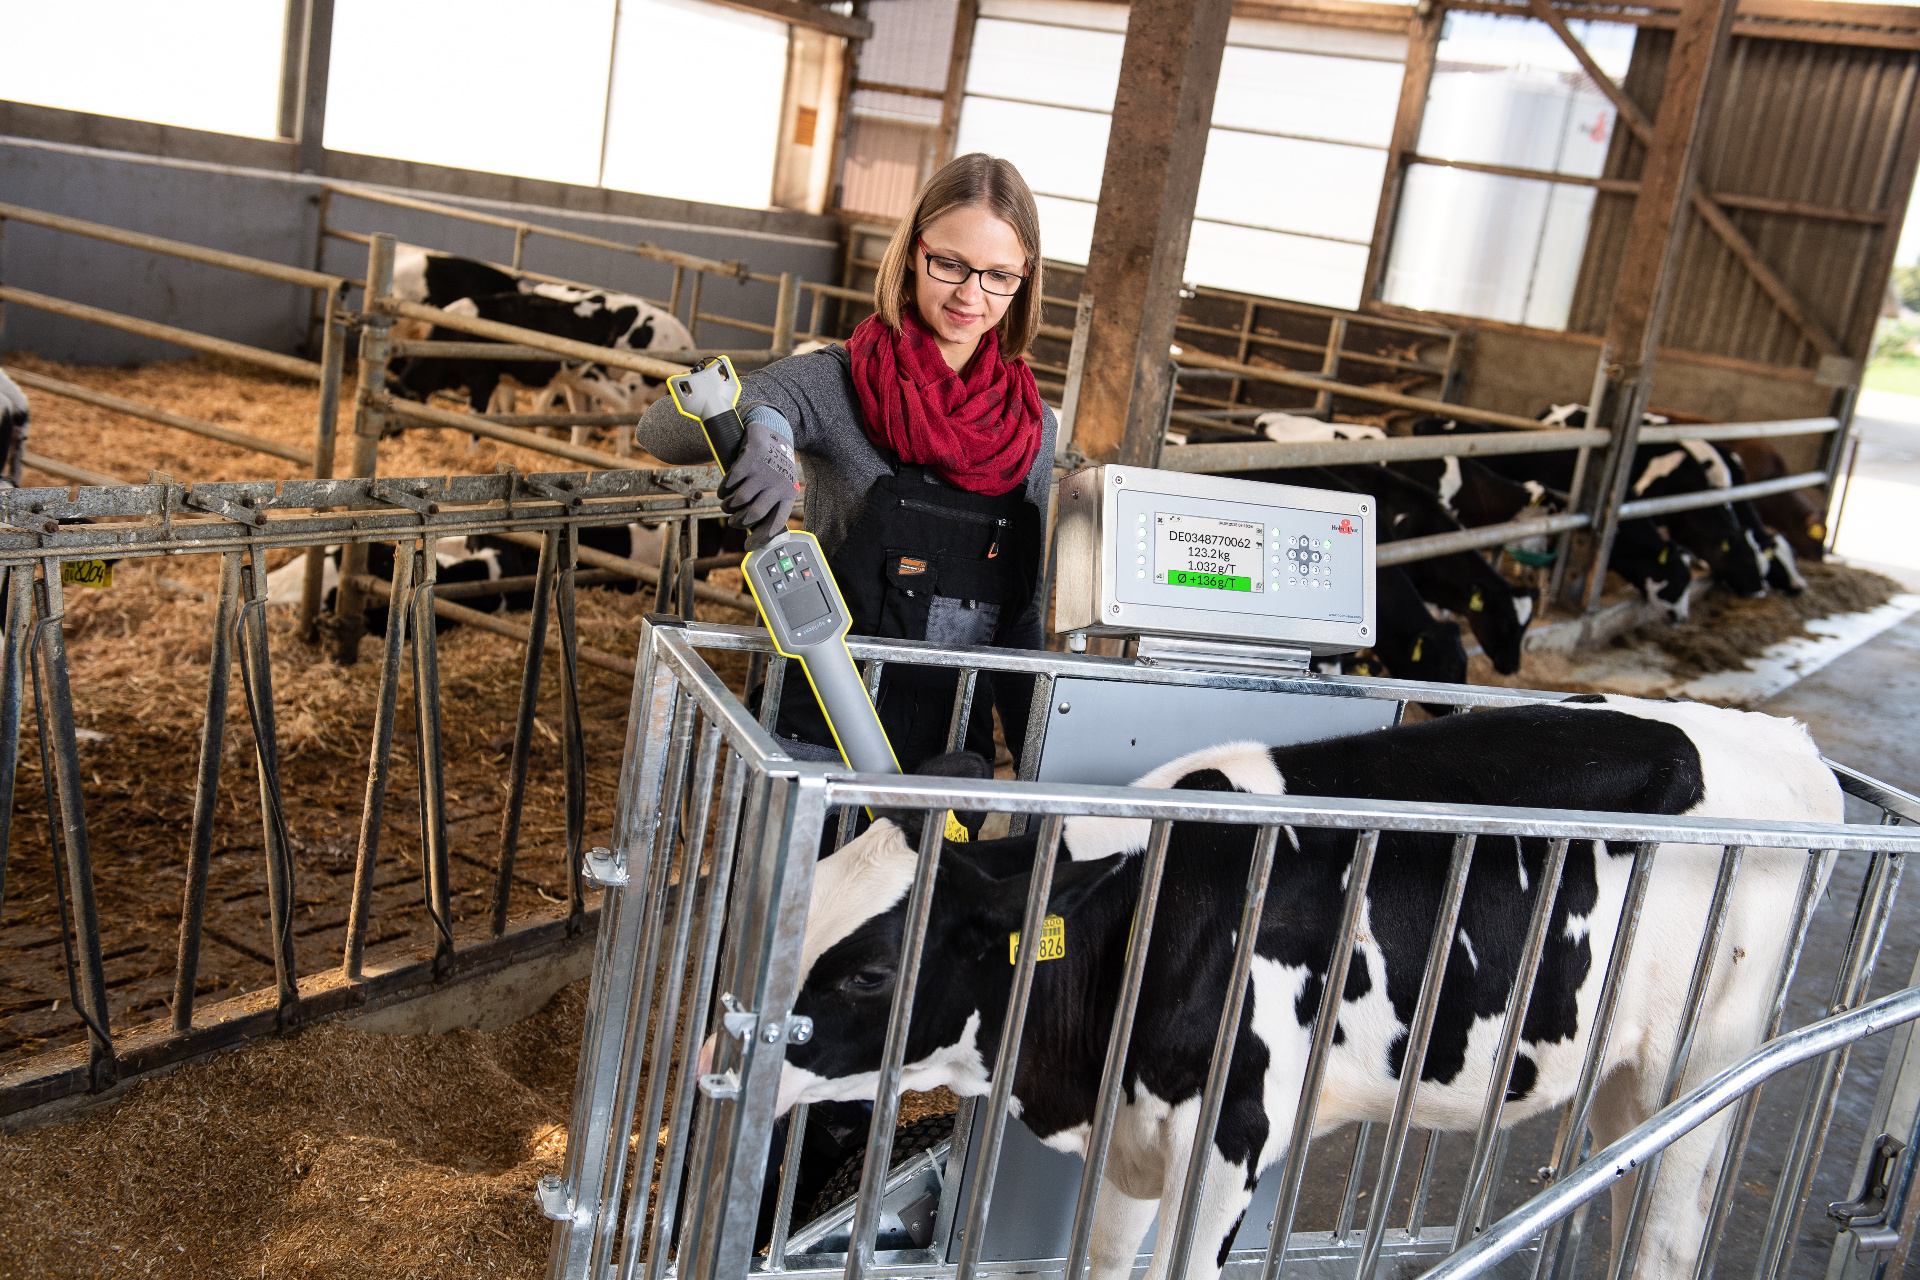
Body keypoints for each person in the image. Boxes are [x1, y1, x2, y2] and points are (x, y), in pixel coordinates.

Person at [634, 152, 1056, 774]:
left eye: (999, 275)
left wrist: (1040, 772)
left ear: (1026, 278)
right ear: (913, 252)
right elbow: (660, 429)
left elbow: (1021, 616)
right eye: (950, 264)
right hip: (818, 748)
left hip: (947, 765)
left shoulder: (1030, 427)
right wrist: (769, 422)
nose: (972, 294)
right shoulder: (839, 381)